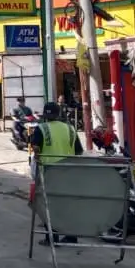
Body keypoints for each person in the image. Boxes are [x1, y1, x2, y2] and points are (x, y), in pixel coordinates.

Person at [31, 101, 85, 245]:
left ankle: (52, 238)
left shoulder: (41, 128)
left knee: (50, 206)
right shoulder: (71, 129)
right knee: (68, 205)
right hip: (69, 173)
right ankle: (72, 237)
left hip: (50, 172)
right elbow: (79, 151)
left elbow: (36, 148)